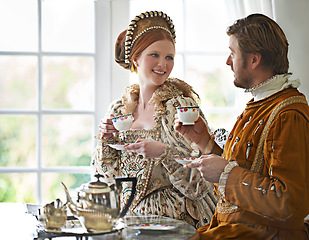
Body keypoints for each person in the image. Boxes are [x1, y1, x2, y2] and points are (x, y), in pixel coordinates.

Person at [175, 13, 309, 239]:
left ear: (254, 60)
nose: (228, 62)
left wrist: (226, 173)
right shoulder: (260, 104)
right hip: (233, 230)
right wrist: (204, 142)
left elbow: (290, 203)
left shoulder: (288, 114)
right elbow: (242, 175)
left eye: (232, 53)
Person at [91, 10, 218, 228]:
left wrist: (164, 153)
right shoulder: (119, 109)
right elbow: (108, 181)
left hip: (176, 223)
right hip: (128, 221)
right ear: (136, 58)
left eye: (169, 57)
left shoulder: (180, 108)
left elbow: (199, 186)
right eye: (155, 55)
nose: (163, 64)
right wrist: (107, 140)